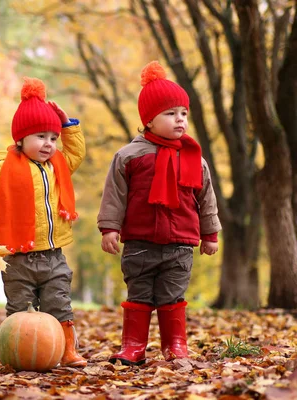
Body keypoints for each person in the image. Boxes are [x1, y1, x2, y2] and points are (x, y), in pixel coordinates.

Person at [97, 61, 222, 366]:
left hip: (180, 243)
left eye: (183, 114)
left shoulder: (194, 157)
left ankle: (175, 344)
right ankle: (134, 345)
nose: (180, 120)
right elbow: (115, 194)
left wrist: (210, 233)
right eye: (170, 114)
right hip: (140, 243)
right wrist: (109, 228)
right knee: (139, 293)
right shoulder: (129, 156)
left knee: (172, 294)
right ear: (149, 120)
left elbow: (206, 198)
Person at [0, 77, 87, 368]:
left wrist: (68, 125)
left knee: (59, 304)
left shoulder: (58, 164)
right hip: (18, 257)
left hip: (53, 256)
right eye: (40, 137)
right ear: (20, 139)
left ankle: (66, 350)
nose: (49, 144)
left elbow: (77, 153)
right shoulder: (3, 168)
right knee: (20, 307)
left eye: (53, 137)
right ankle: (18, 352)